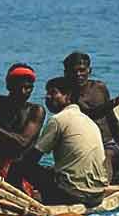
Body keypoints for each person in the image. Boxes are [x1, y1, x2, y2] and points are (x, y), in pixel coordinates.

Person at [17, 77, 109, 207]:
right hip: (97, 195)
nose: (48, 97)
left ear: (68, 96)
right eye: (47, 93)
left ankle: (17, 199)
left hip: (73, 194)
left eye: (53, 93)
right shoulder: (87, 120)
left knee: (21, 166)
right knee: (48, 171)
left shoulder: (58, 120)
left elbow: (33, 157)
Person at [63, 52, 119, 184]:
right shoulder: (68, 96)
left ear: (89, 70)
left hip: (107, 143)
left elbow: (112, 121)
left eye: (82, 70)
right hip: (82, 146)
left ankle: (103, 187)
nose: (78, 75)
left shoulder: (99, 88)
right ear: (66, 73)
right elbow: (93, 113)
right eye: (74, 71)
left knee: (106, 155)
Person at [0, 63, 46, 194]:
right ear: (9, 86)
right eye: (19, 87)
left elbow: (23, 141)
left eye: (28, 88)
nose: (24, 92)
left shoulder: (36, 111)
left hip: (23, 175)